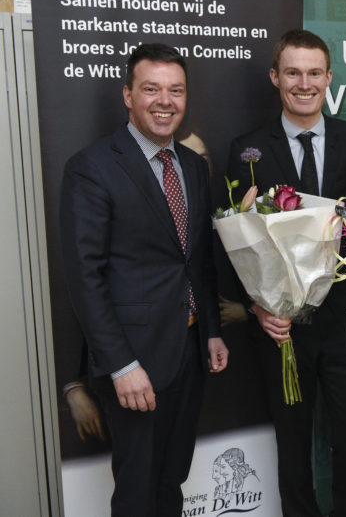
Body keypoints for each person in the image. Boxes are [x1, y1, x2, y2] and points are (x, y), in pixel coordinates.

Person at [60, 43, 228, 516]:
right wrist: (120, 365)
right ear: (128, 95)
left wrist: (211, 329)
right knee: (136, 490)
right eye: (151, 89)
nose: (165, 101)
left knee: (172, 479)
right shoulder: (92, 168)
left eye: (176, 90)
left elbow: (198, 259)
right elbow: (84, 277)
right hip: (134, 361)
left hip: (189, 352)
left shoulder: (192, 165)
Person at [226, 29, 346, 517]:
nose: (303, 84)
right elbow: (236, 243)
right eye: (292, 72)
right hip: (282, 327)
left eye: (314, 73)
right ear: (275, 77)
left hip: (345, 323)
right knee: (292, 444)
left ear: (329, 78)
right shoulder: (247, 150)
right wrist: (258, 306)